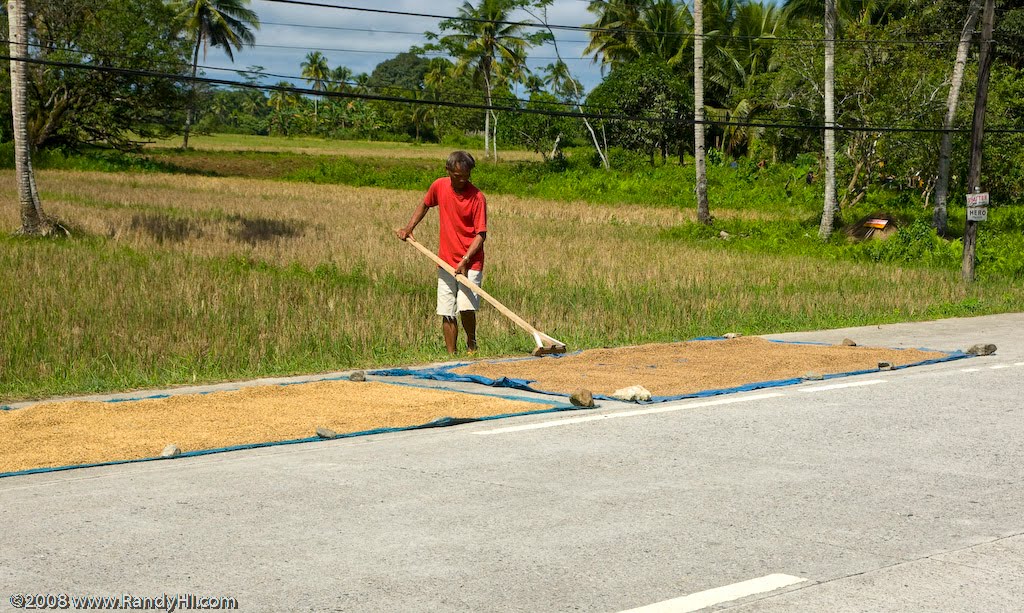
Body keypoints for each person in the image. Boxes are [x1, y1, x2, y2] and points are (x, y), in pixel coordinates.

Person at [396, 151, 487, 355]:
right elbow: (425, 204)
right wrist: (409, 228)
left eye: (466, 176)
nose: (462, 180)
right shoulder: (439, 186)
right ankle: (451, 356)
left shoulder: (477, 198)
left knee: (465, 307)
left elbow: (481, 235)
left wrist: (465, 259)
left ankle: (471, 346)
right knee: (447, 310)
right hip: (445, 260)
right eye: (457, 176)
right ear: (448, 171)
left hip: (470, 262)